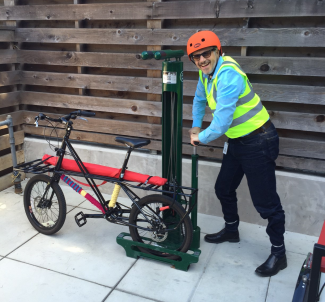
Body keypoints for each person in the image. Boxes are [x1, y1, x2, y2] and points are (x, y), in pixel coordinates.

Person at [187, 31, 286, 277]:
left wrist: (202, 137)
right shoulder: (206, 73)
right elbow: (199, 100)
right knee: (224, 188)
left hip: (259, 141)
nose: (201, 60)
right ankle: (231, 230)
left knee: (266, 204)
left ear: (218, 51)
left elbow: (221, 122)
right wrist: (196, 125)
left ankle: (279, 252)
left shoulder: (228, 75)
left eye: (206, 53)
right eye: (195, 57)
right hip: (237, 141)